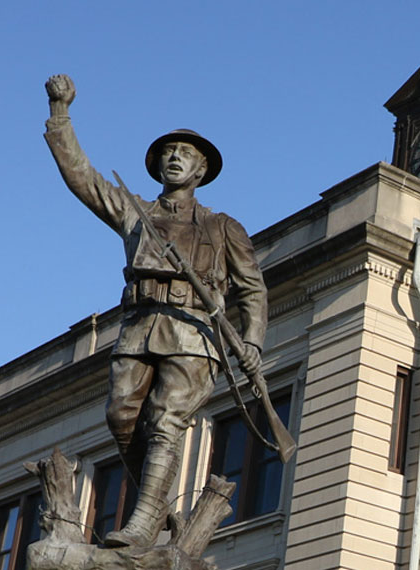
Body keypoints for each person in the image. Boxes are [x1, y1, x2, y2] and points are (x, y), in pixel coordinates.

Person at [43, 74, 267, 547]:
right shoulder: (135, 212)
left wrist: (251, 342)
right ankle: (156, 505)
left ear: (201, 169)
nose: (173, 157)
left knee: (165, 420)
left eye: (184, 153)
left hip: (194, 334)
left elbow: (252, 290)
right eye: (168, 151)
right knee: (122, 416)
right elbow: (82, 178)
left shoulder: (224, 226)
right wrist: (60, 114)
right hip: (139, 326)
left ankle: (143, 521)